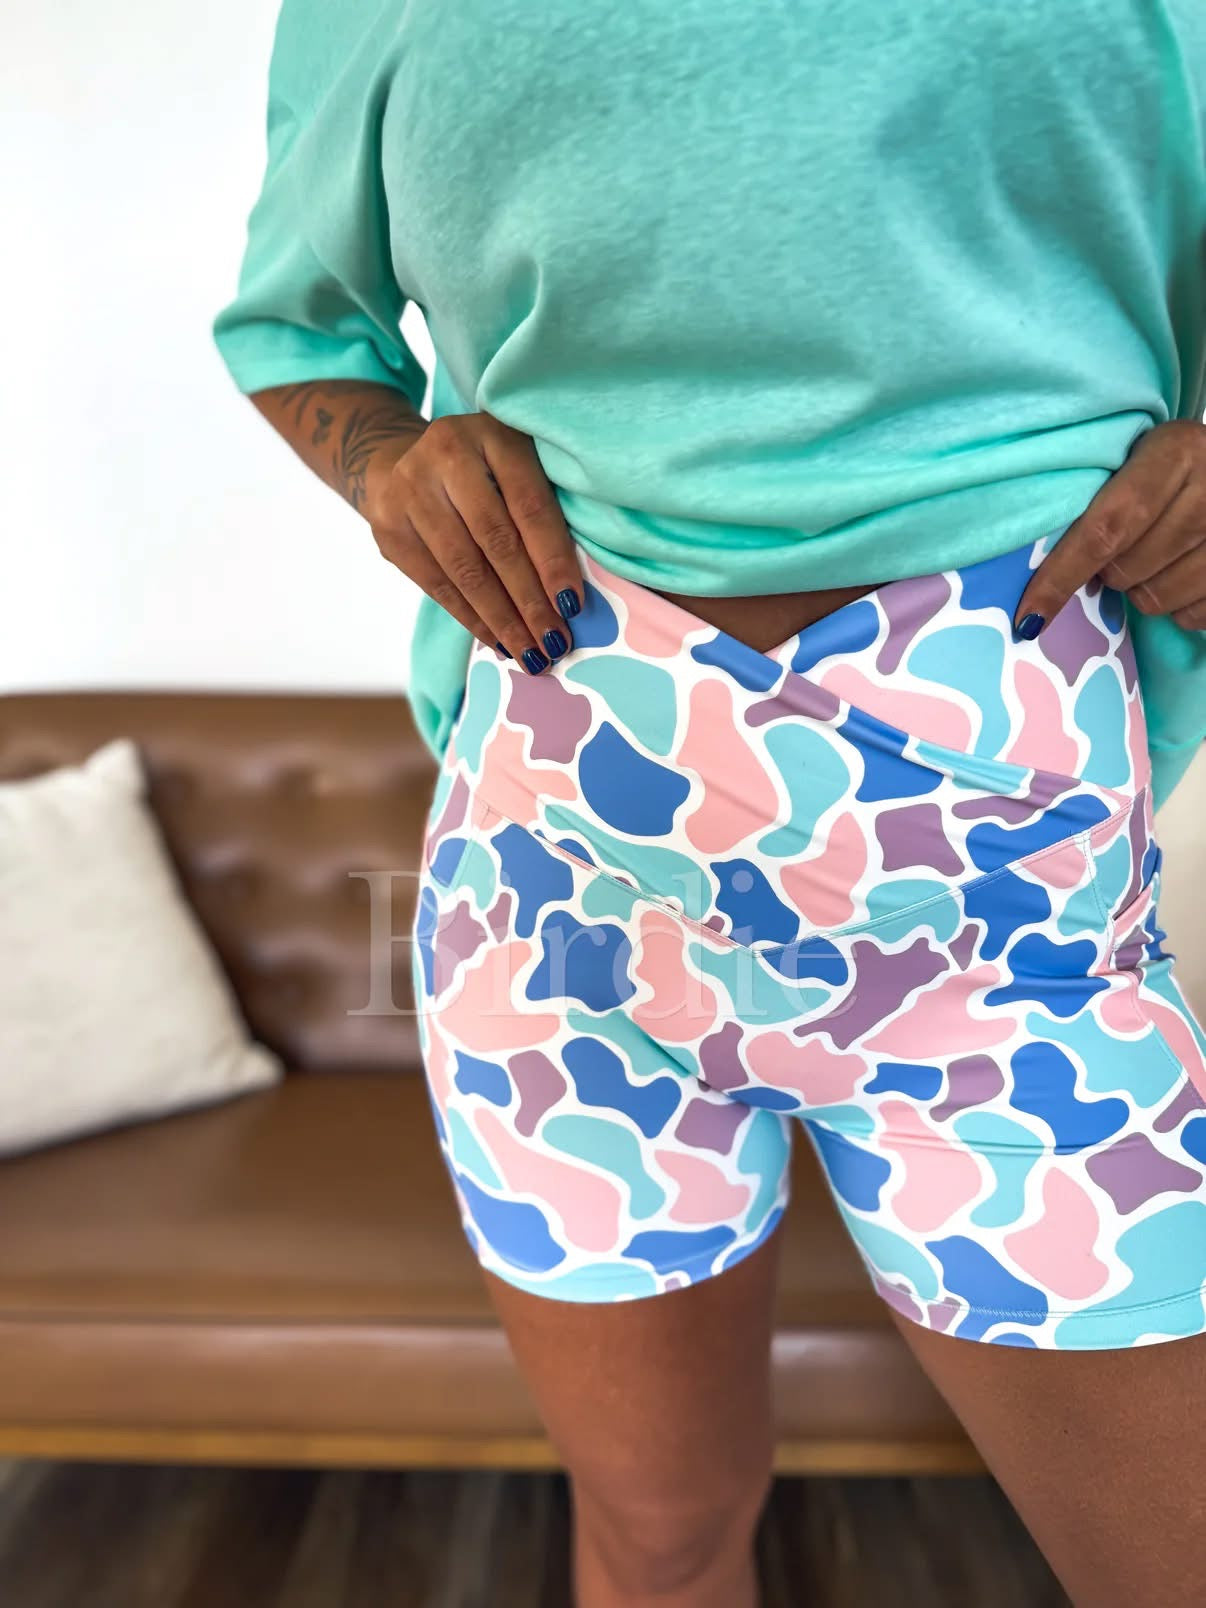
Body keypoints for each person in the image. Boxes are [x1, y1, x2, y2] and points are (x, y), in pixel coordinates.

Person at [214, 4, 1206, 1603]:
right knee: (658, 1543)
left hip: (1004, 922)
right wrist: (389, 459)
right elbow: (296, 326)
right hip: (559, 918)